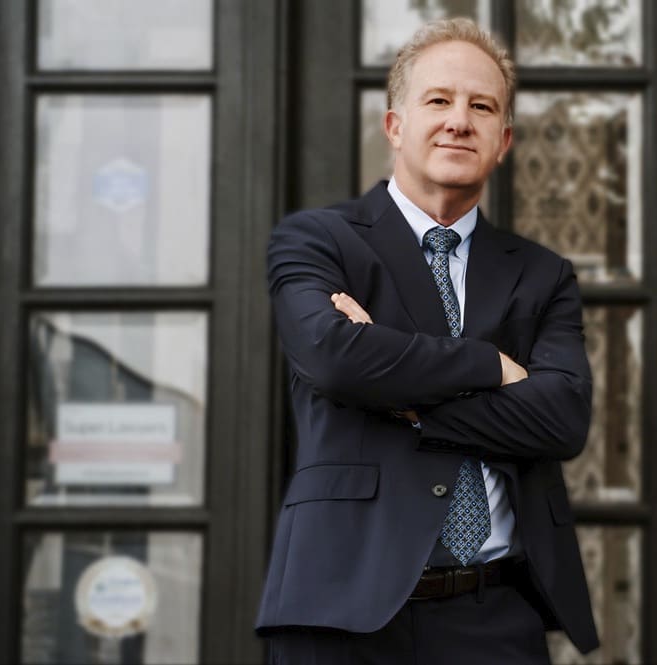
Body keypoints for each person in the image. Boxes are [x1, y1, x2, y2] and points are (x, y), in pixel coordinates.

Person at [254, 17, 598, 664]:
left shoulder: (543, 276)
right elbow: (333, 357)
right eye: (438, 100)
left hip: (495, 613)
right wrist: (490, 365)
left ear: (504, 141)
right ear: (395, 126)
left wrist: (403, 396)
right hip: (339, 615)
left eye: (482, 106)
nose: (459, 120)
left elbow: (562, 418)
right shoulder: (318, 241)